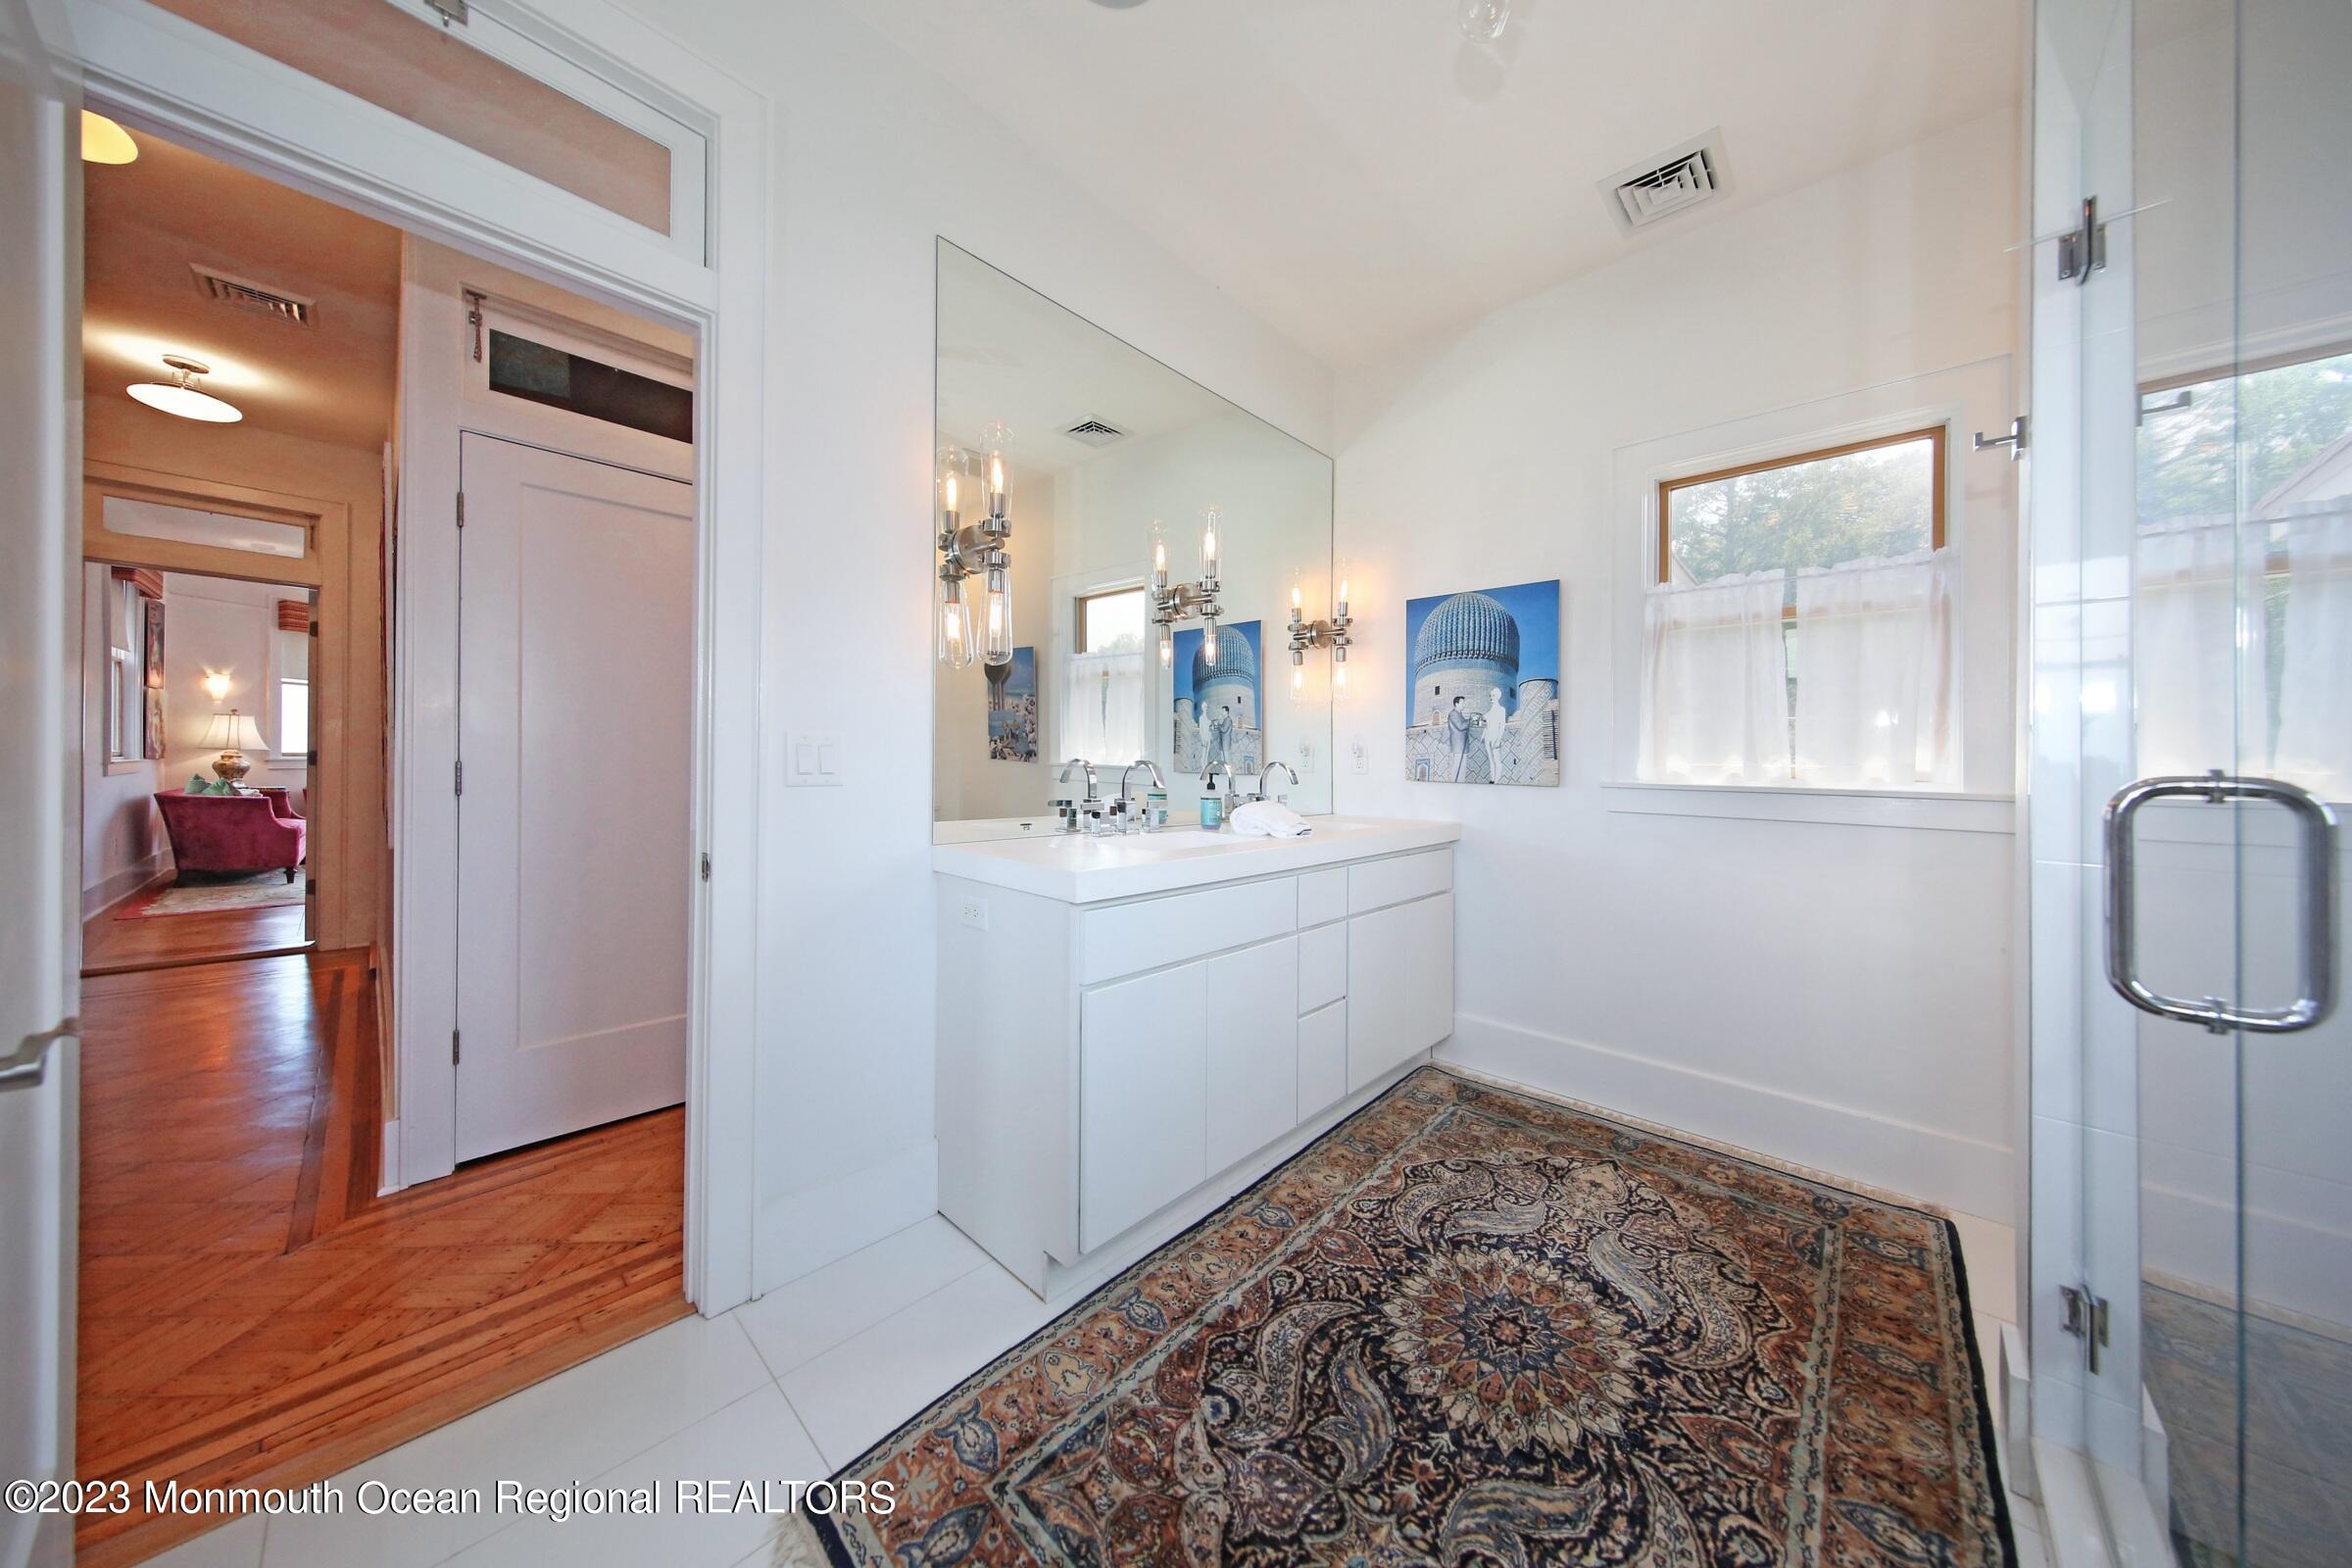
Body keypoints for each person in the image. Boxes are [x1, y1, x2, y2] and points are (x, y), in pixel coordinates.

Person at [1482, 685, 1509, 783]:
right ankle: (1492, 779)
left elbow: (1502, 726)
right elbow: (1485, 724)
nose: (1491, 698)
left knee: (1497, 760)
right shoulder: (1489, 712)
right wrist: (1483, 736)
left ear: (1497, 696)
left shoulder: (1502, 709)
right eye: (1490, 696)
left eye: (1493, 695)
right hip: (1488, 737)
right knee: (1491, 760)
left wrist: (1499, 739)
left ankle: (1497, 780)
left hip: (1495, 737)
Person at [1446, 694, 1472, 782]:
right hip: (1458, 746)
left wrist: (1469, 721)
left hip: (1462, 746)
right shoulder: (1453, 714)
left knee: (1462, 769)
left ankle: (1460, 785)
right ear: (1456, 704)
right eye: (1462, 703)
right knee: (1457, 768)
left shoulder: (1459, 714)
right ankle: (1455, 786)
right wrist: (1471, 720)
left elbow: (1464, 724)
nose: (1464, 704)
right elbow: (1460, 726)